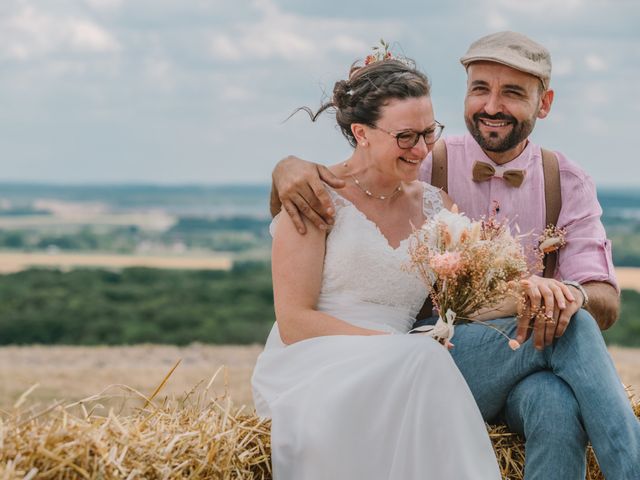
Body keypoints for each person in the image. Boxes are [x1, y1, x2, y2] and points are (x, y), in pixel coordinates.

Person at [270, 32, 640, 479]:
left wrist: (550, 294)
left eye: (513, 93)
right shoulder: (416, 162)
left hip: (498, 358)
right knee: (571, 328)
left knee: (555, 403)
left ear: (544, 104)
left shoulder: (558, 181)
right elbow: (345, 177)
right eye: (480, 88)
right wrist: (285, 169)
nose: (491, 106)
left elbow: (596, 297)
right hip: (412, 360)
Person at [251, 56, 501, 479]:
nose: (421, 149)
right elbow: (294, 322)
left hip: (404, 362)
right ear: (361, 133)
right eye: (406, 137)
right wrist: (395, 347)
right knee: (426, 361)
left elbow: (472, 298)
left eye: (428, 133)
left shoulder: (439, 207)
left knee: (427, 362)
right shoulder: (314, 195)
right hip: (315, 361)